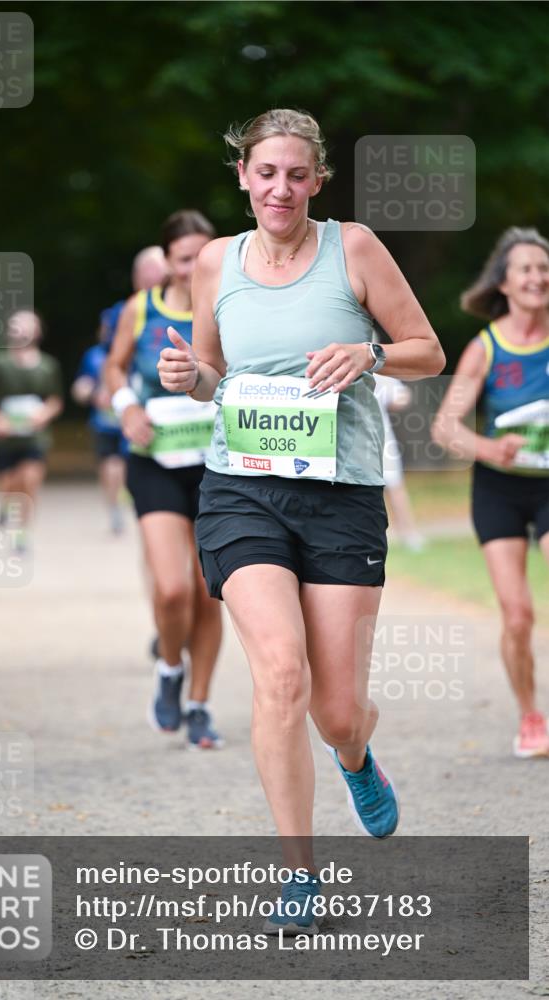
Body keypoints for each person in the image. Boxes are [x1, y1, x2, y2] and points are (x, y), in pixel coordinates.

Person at [158, 109, 444, 931]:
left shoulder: (353, 248)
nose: (279, 188)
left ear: (316, 180)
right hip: (240, 490)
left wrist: (370, 353)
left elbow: (427, 349)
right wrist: (187, 374)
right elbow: (213, 374)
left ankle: (355, 757)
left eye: (295, 174)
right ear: (242, 177)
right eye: (265, 173)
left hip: (340, 495)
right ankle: (297, 872)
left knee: (336, 710)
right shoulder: (215, 260)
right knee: (281, 674)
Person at [106, 211, 224, 750]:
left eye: (203, 255)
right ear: (167, 261)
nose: (194, 267)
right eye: (183, 258)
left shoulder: (227, 305)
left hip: (216, 464)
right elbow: (114, 368)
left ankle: (199, 705)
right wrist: (128, 407)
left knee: (208, 594)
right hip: (154, 460)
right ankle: (170, 668)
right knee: (173, 588)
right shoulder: (141, 308)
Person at [433, 227, 549, 758]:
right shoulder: (487, 348)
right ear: (504, 282)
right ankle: (530, 717)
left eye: (544, 268)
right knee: (518, 614)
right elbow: (445, 427)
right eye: (526, 268)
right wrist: (489, 448)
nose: (537, 277)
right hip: (500, 488)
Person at [72, 247, 168, 534]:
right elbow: (111, 358)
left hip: (172, 410)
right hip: (131, 405)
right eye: (147, 278)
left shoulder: (190, 304)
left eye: (158, 277)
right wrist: (108, 390)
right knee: (119, 460)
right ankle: (122, 507)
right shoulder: (124, 312)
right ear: (136, 278)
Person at [0, 310, 63, 551]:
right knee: (8, 483)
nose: (20, 330)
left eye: (26, 325)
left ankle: (22, 533)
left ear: (37, 331)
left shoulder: (48, 366)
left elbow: (56, 400)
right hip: (4, 437)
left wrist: (44, 414)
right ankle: (4, 505)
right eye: (16, 325)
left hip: (34, 437)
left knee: (29, 481)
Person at [373, 373, 425, 551]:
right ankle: (405, 532)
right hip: (376, 436)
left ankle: (407, 531)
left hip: (380, 437)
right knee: (393, 487)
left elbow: (399, 398)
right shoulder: (375, 369)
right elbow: (400, 399)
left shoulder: (377, 371)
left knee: (394, 486)